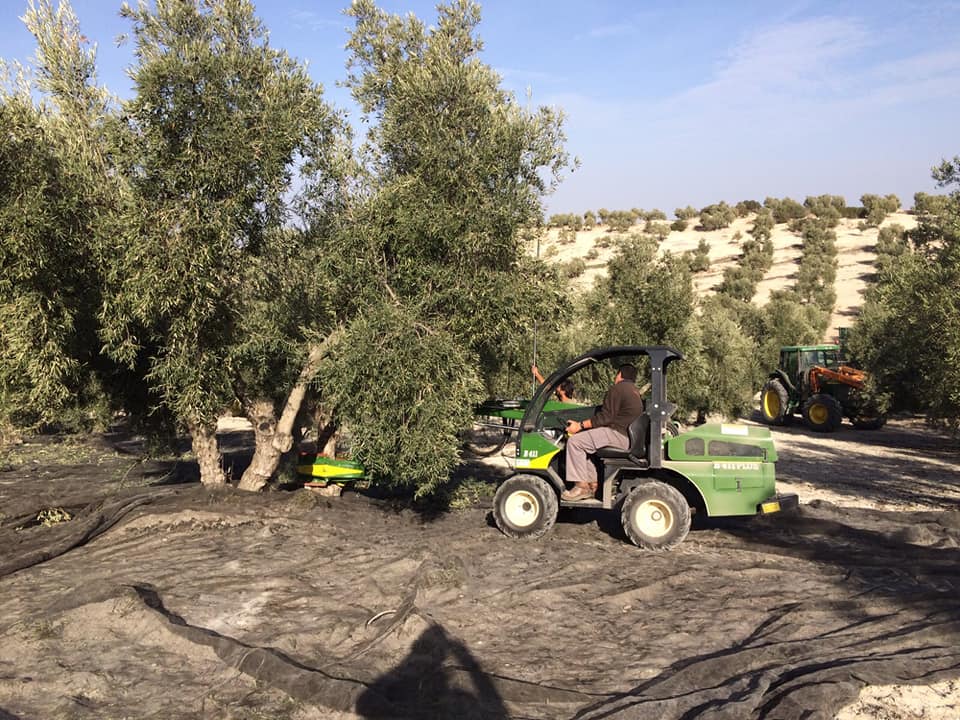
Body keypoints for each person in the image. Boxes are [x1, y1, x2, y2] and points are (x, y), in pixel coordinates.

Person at [561, 363, 644, 501]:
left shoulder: (618, 389)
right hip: (627, 437)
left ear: (619, 375)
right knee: (586, 444)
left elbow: (605, 417)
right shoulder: (634, 391)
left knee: (575, 442)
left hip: (617, 434)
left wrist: (579, 426)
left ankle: (581, 487)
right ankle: (592, 485)